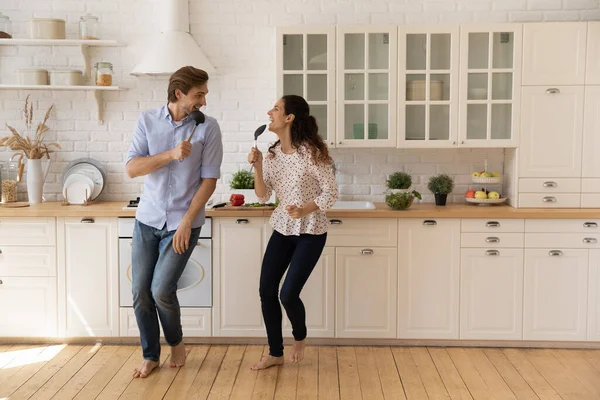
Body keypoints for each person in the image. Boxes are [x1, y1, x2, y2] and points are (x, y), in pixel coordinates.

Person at [125, 66, 223, 378]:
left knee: (161, 290)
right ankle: (151, 355)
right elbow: (132, 168)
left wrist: (186, 222)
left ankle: (176, 342)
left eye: (205, 94)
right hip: (148, 220)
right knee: (140, 292)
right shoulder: (147, 121)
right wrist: (170, 154)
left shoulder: (209, 128)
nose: (204, 102)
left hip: (184, 223)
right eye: (199, 95)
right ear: (179, 94)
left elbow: (208, 182)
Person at [247, 95, 339, 370]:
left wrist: (305, 209)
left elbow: (331, 193)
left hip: (311, 231)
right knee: (266, 289)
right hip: (283, 228)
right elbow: (263, 196)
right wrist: (259, 165)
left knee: (287, 294)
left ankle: (299, 337)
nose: (269, 111)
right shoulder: (273, 153)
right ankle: (275, 353)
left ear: (289, 118)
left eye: (275, 108)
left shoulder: (311, 152)